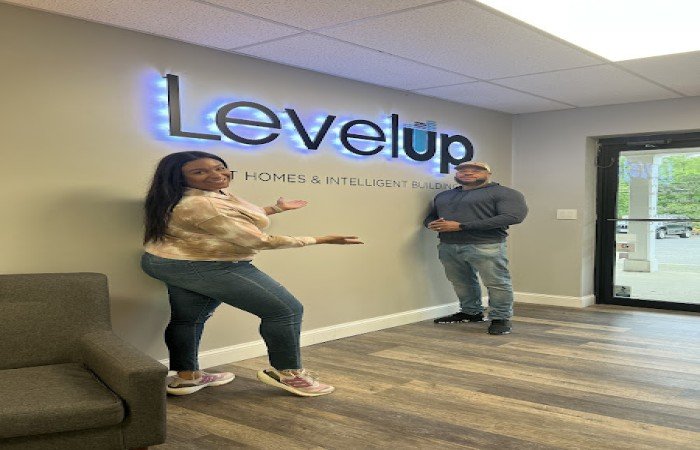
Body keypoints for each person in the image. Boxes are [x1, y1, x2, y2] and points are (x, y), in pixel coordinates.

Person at [141, 151, 362, 397]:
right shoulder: (202, 204)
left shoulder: (200, 195)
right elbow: (259, 240)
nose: (216, 174)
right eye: (199, 172)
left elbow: (232, 216)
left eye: (219, 167)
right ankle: (288, 374)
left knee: (188, 319)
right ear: (179, 178)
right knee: (285, 310)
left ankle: (186, 378)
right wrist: (321, 239)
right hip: (205, 264)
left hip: (171, 261)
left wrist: (276, 208)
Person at [424, 161, 527, 335]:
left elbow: (513, 216)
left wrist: (461, 226)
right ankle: (471, 312)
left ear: (488, 174)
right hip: (448, 245)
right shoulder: (444, 196)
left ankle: (500, 318)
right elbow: (431, 217)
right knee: (461, 282)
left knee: (496, 283)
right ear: (457, 174)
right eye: (462, 170)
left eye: (476, 170)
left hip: (486, 245)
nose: (468, 172)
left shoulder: (504, 193)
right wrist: (430, 224)